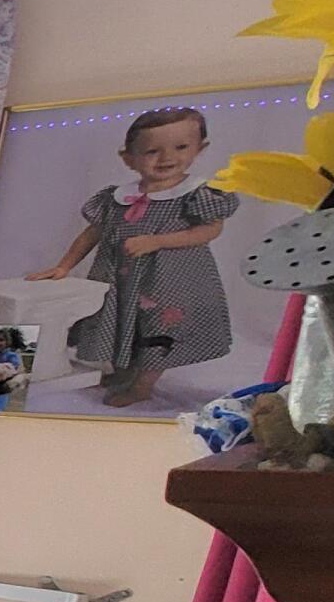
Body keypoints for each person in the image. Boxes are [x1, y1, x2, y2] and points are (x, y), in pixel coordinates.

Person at [29, 106, 240, 408]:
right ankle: (123, 373)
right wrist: (64, 266)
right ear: (129, 158)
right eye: (152, 151)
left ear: (200, 149)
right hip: (119, 279)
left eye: (181, 147)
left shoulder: (197, 194)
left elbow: (209, 231)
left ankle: (143, 385)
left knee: (159, 331)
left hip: (169, 281)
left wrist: (157, 241)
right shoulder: (117, 197)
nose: (167, 158)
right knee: (118, 324)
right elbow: (93, 233)